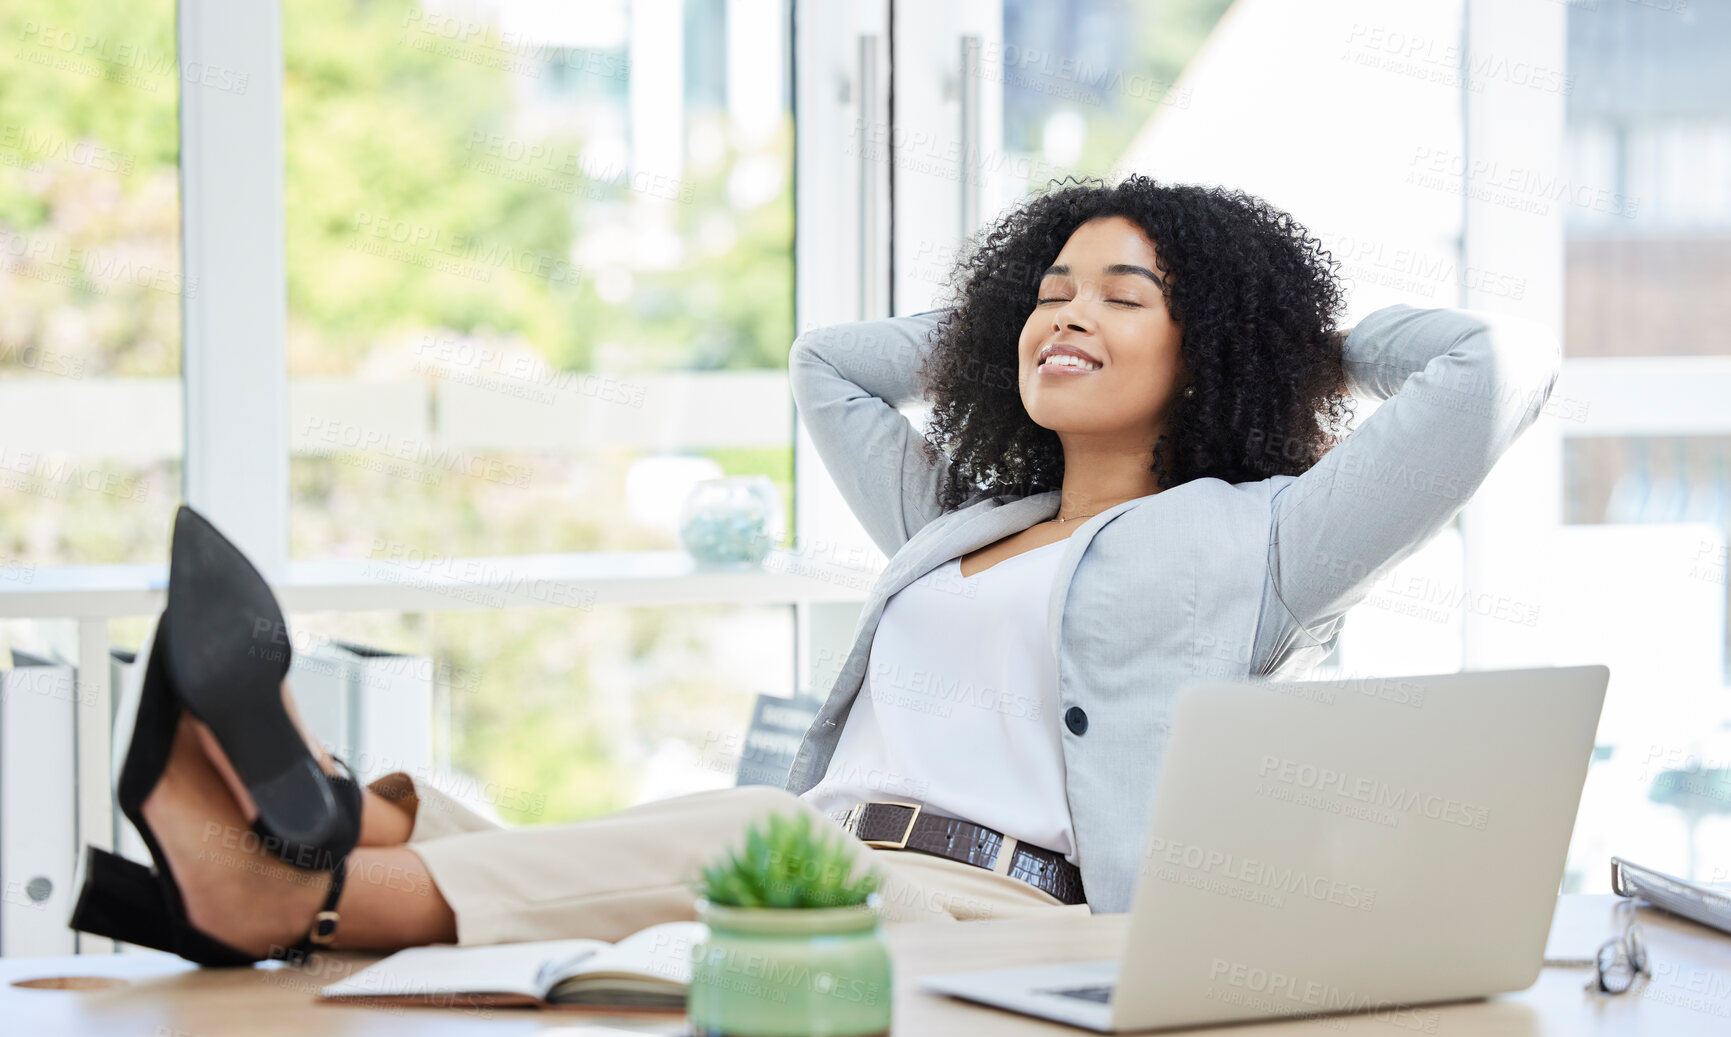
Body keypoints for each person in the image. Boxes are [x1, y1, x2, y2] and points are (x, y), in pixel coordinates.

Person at [70, 175, 1561, 965]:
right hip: (830, 878)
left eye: (1125, 294)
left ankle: (297, 890)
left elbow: (1493, 373)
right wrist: (999, 327)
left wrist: (1289, 329)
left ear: (1211, 340)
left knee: (748, 833)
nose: (1068, 314)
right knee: (525, 823)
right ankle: (324, 824)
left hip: (1000, 928)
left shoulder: (1264, 543)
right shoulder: (961, 521)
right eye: (1047, 292)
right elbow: (828, 369)